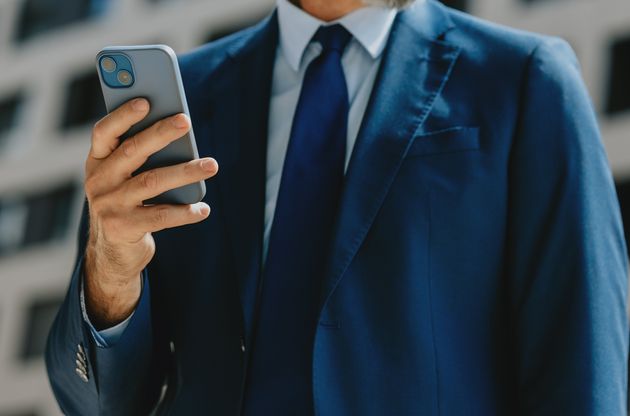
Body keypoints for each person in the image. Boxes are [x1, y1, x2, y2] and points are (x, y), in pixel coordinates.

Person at [45, 0, 629, 414]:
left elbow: (582, 364)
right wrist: (111, 268)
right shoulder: (178, 102)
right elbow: (98, 403)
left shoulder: (523, 80)